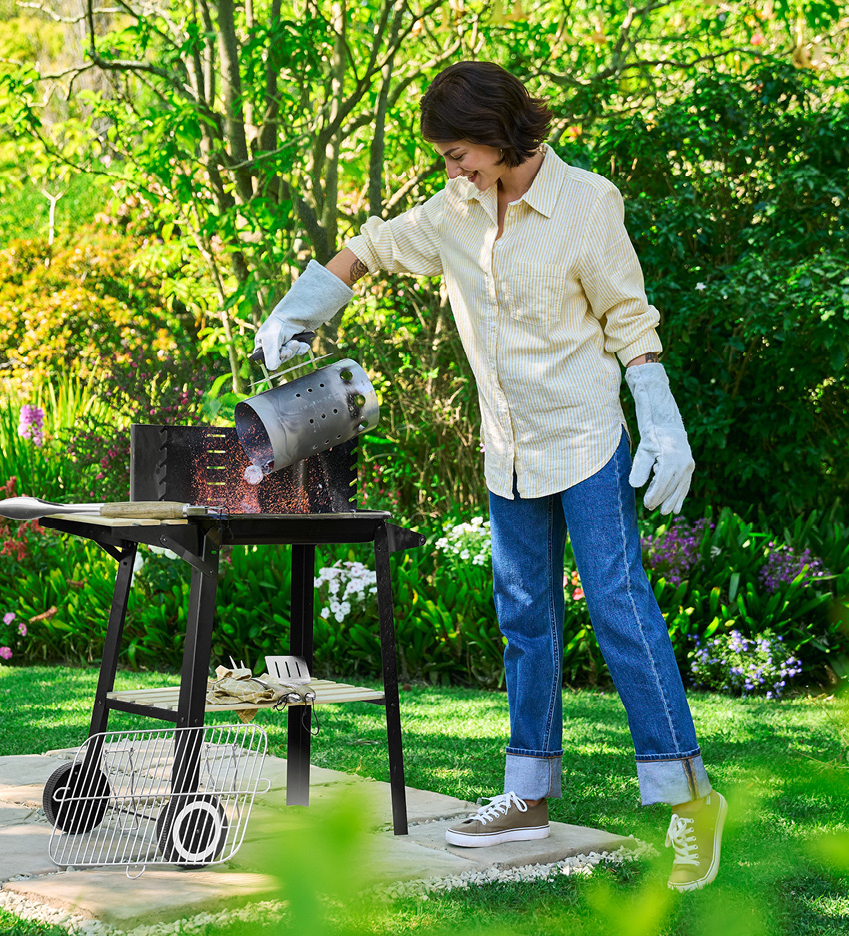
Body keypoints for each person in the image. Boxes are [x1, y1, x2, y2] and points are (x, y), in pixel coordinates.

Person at [254, 61, 726, 892]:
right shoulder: (455, 214)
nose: (452, 169)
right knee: (524, 619)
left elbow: (626, 317)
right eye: (444, 157)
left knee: (618, 607)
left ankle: (689, 803)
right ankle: (528, 794)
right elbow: (367, 249)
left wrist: (659, 415)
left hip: (584, 440)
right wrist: (295, 313)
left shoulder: (587, 204)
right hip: (506, 447)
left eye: (460, 153)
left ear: (505, 134)